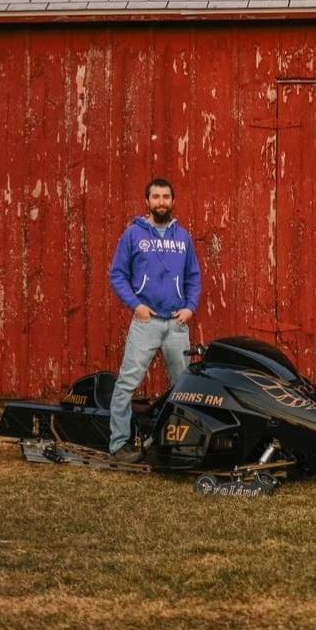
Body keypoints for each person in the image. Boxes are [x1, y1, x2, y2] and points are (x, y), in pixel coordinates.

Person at [108, 177, 201, 462]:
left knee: (185, 388)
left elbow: (193, 277)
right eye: (156, 197)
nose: (161, 202)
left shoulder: (183, 237)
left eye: (166, 197)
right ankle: (119, 444)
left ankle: (185, 445)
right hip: (146, 323)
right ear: (147, 201)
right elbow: (117, 274)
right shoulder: (133, 235)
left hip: (176, 324)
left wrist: (190, 308)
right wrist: (136, 305)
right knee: (127, 383)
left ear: (173, 201)